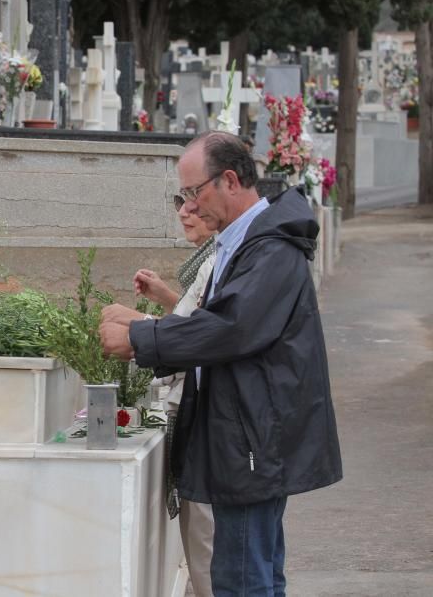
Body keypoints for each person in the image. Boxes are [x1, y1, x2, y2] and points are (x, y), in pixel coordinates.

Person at [100, 131, 342, 596]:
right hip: (250, 433)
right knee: (256, 574)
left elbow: (229, 328)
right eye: (183, 195)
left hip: (252, 439)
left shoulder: (270, 248)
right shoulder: (249, 241)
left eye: (193, 192)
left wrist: (139, 337)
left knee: (243, 580)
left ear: (229, 180)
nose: (188, 205)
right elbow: (220, 322)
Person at [130, 194, 217, 597]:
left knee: (210, 550)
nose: (182, 212)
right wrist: (165, 298)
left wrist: (136, 328)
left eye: (192, 201)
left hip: (210, 423)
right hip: (200, 416)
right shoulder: (213, 257)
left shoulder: (226, 257)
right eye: (179, 201)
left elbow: (203, 336)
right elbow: (195, 320)